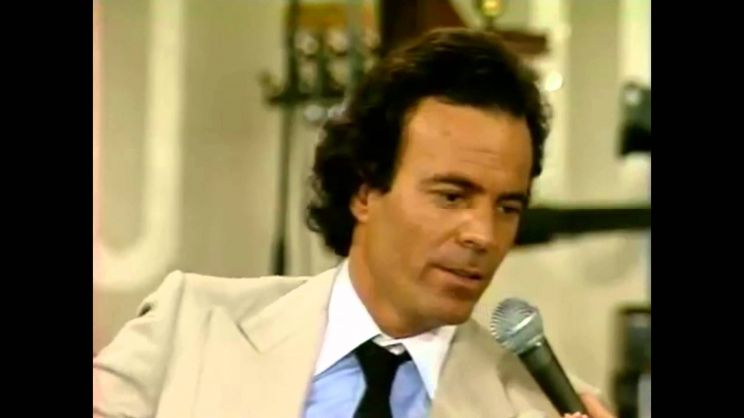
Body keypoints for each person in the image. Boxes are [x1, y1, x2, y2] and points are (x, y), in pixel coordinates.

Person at [93, 28, 615, 418]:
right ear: (365, 191)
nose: (482, 234)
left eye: (507, 207)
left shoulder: (541, 406)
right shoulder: (190, 326)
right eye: (452, 196)